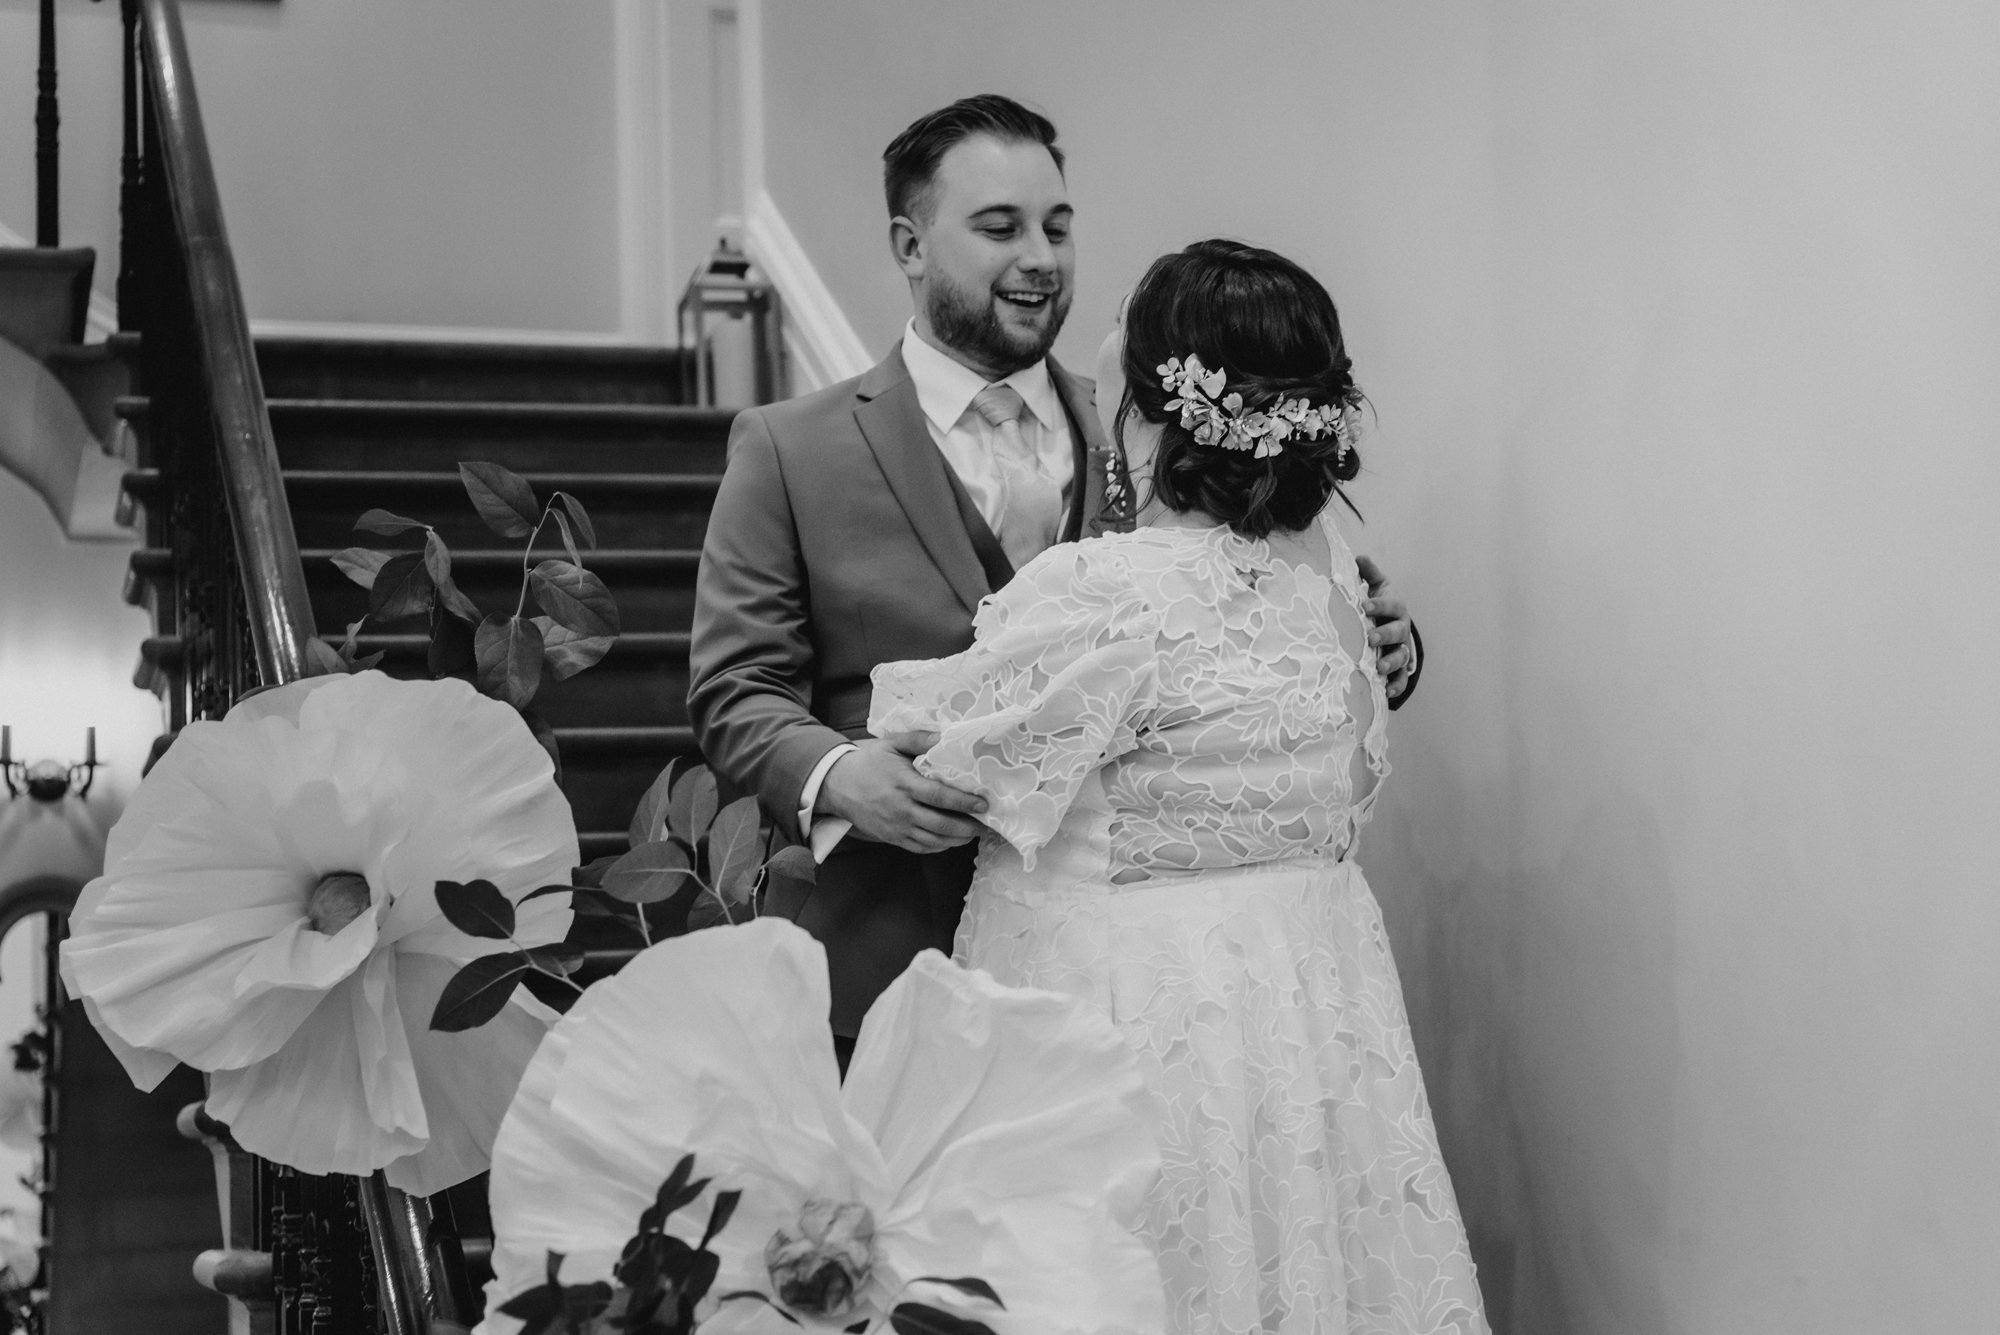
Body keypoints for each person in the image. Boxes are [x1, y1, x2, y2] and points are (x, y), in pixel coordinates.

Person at [688, 96, 1422, 1054]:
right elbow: (733, 686)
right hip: (884, 955)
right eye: (1001, 228)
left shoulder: (1158, 421)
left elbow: (1253, 613)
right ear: (910, 246)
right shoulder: (790, 448)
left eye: (1058, 227)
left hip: (1126, 996)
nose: (1041, 257)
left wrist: (1379, 641)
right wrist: (837, 776)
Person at [868, 240, 1486, 1333]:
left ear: (1159, 405)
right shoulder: (1339, 586)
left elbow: (941, 752)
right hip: (1302, 1030)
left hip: (1130, 1028)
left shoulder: (1100, 589)